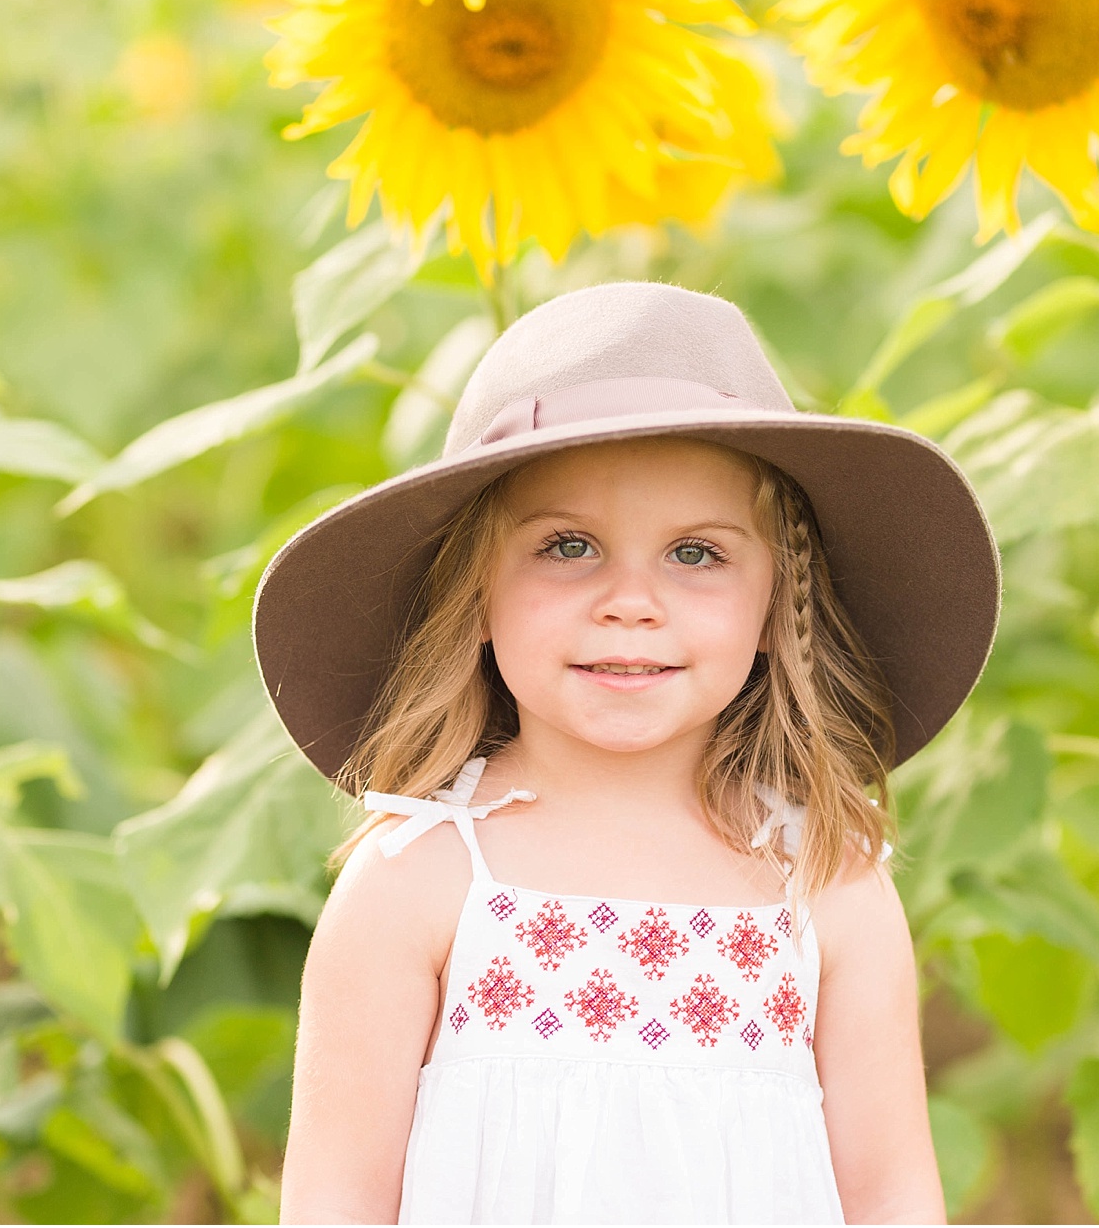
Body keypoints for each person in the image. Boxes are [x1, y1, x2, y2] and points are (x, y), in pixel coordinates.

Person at [257, 281, 1001, 1224]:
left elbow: (891, 1192)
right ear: (475, 592)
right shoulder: (422, 876)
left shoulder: (823, 883)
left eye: (696, 554)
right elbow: (334, 1200)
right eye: (568, 546)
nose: (630, 601)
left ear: (779, 607)